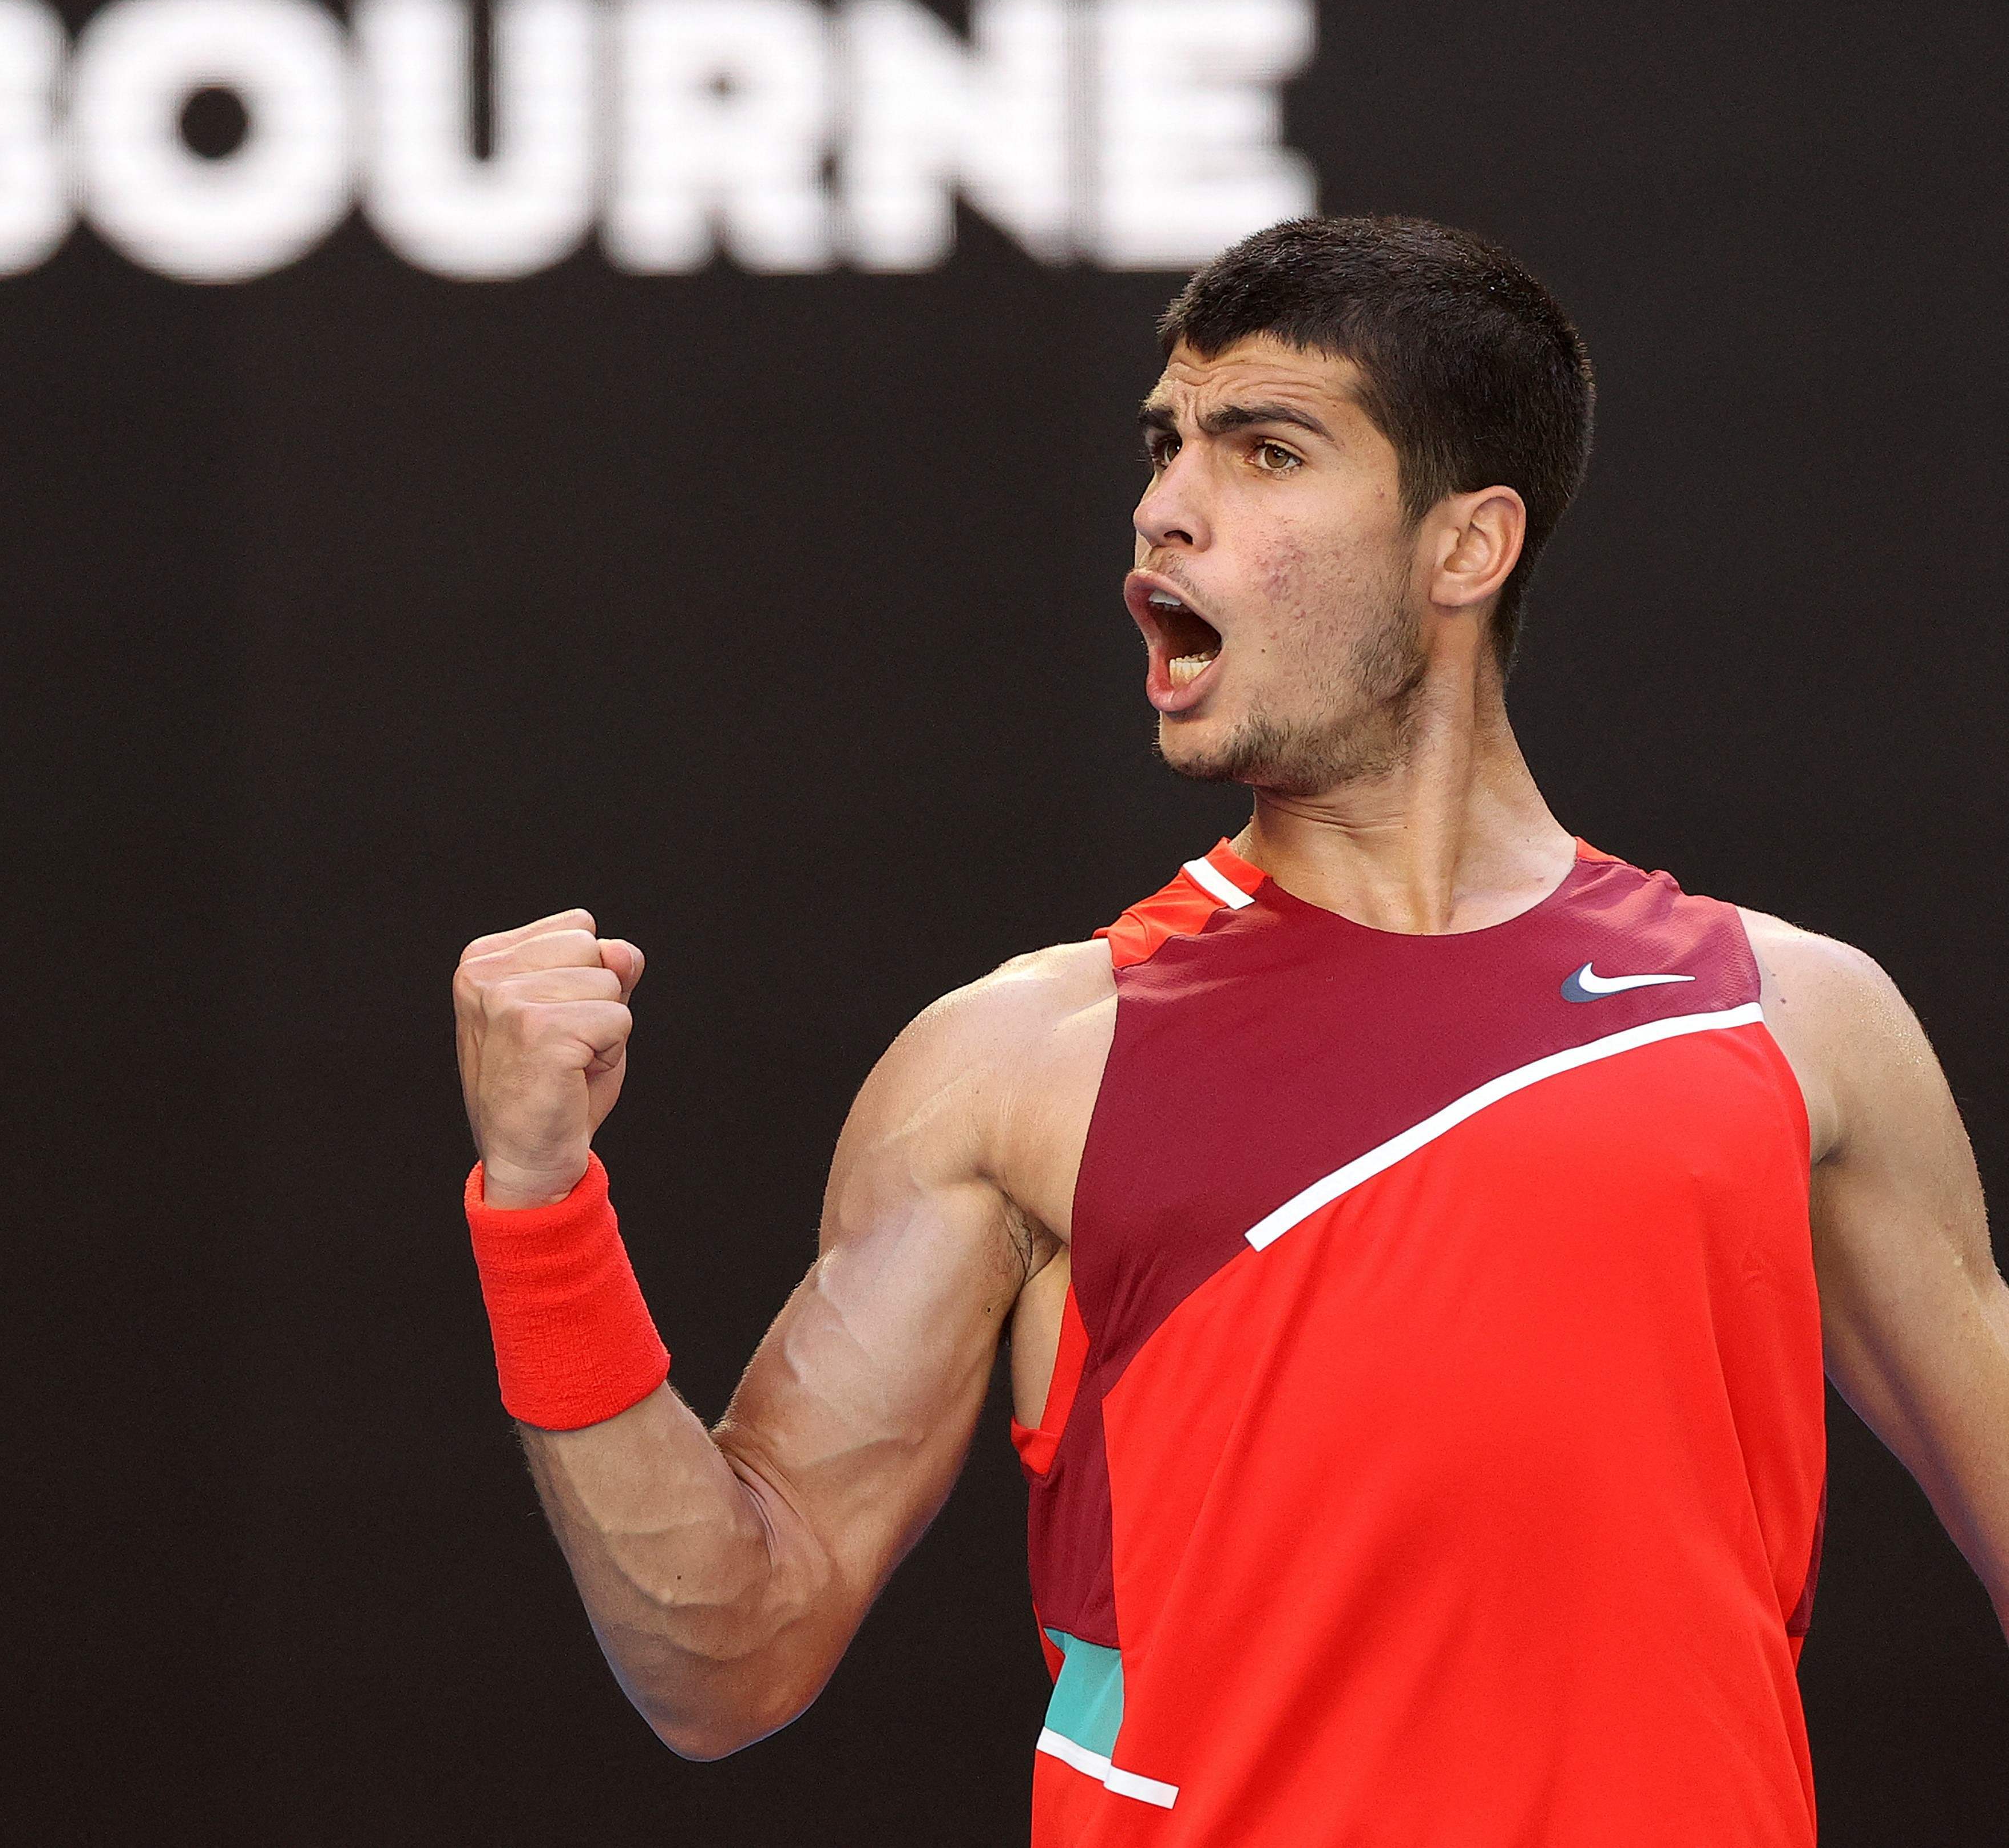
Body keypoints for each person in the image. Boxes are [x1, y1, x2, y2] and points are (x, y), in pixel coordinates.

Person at [445, 216, 2009, 1843]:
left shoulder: (1793, 1025)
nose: (1164, 509)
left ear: (1466, 548)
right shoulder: (1026, 1066)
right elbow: (725, 1656)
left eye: (1266, 451)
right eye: (1166, 447)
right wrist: (542, 1214)